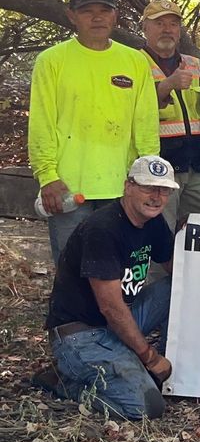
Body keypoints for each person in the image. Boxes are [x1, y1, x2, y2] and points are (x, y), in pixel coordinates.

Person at [32, 156, 178, 419]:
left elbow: (176, 269)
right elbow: (110, 307)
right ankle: (65, 382)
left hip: (120, 320)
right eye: (148, 188)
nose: (156, 197)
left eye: (164, 190)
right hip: (83, 334)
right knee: (147, 407)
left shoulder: (153, 221)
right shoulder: (103, 228)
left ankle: (160, 361)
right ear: (128, 186)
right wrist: (151, 358)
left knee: (177, 285)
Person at [28, 0, 160, 262]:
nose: (97, 17)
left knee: (116, 268)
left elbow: (146, 124)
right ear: (71, 16)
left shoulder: (135, 61)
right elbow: (42, 123)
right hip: (68, 188)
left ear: (115, 16)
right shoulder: (51, 60)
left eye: (104, 10)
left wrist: (147, 177)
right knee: (70, 268)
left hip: (122, 187)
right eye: (87, 11)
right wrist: (47, 176)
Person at [140, 0, 200, 228]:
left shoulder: (192, 63)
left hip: (195, 163)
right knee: (161, 232)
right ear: (145, 28)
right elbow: (129, 107)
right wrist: (166, 86)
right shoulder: (134, 62)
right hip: (158, 166)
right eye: (159, 23)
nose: (167, 29)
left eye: (173, 24)